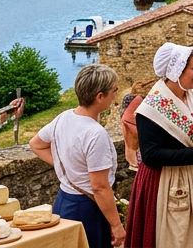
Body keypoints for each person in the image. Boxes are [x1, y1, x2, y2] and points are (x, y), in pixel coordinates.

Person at [125, 43, 193, 248]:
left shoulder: (190, 95)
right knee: (174, 239)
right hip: (166, 185)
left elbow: (191, 134)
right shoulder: (151, 109)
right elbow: (150, 156)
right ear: (177, 72)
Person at [31, 64, 124, 248]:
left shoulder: (63, 117)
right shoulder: (95, 134)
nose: (116, 94)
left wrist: (64, 165)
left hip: (63, 202)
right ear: (99, 97)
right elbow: (99, 187)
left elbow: (36, 144)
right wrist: (117, 225)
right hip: (88, 209)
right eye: (114, 90)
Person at [118, 79, 156, 177]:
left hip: (132, 151)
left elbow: (122, 115)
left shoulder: (127, 99)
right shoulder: (147, 103)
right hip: (148, 158)